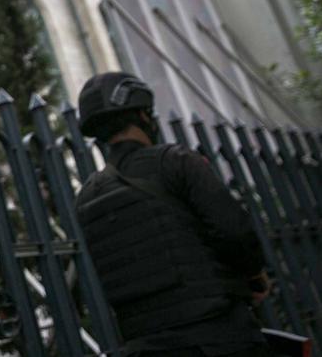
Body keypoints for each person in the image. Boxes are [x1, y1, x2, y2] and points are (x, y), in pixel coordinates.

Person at [73, 72, 273, 357]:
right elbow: (233, 232)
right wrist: (255, 273)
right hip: (218, 335)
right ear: (143, 115)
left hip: (145, 345)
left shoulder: (87, 195)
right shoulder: (176, 162)